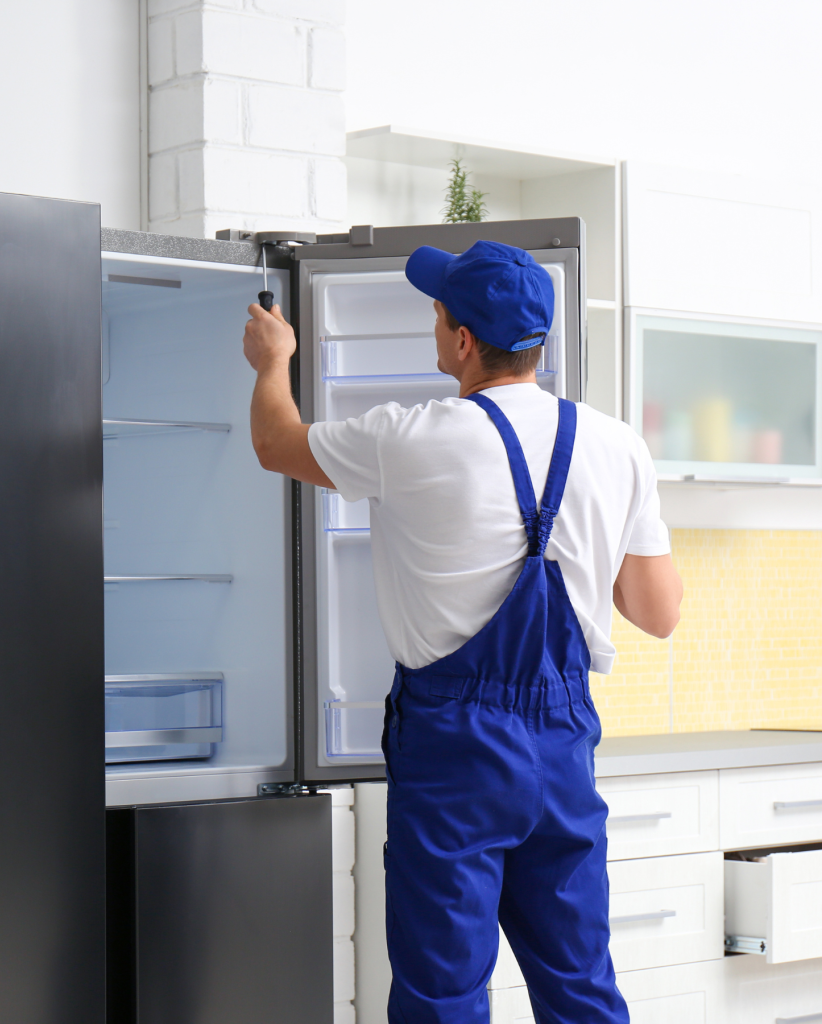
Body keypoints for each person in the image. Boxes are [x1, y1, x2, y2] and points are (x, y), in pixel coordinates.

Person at [242, 239, 683, 1024]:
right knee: (578, 986)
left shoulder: (410, 436)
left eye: (437, 311)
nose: (435, 322)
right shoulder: (618, 446)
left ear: (462, 341)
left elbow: (277, 442)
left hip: (453, 746)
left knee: (442, 994)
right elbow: (657, 612)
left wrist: (272, 360)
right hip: (561, 742)